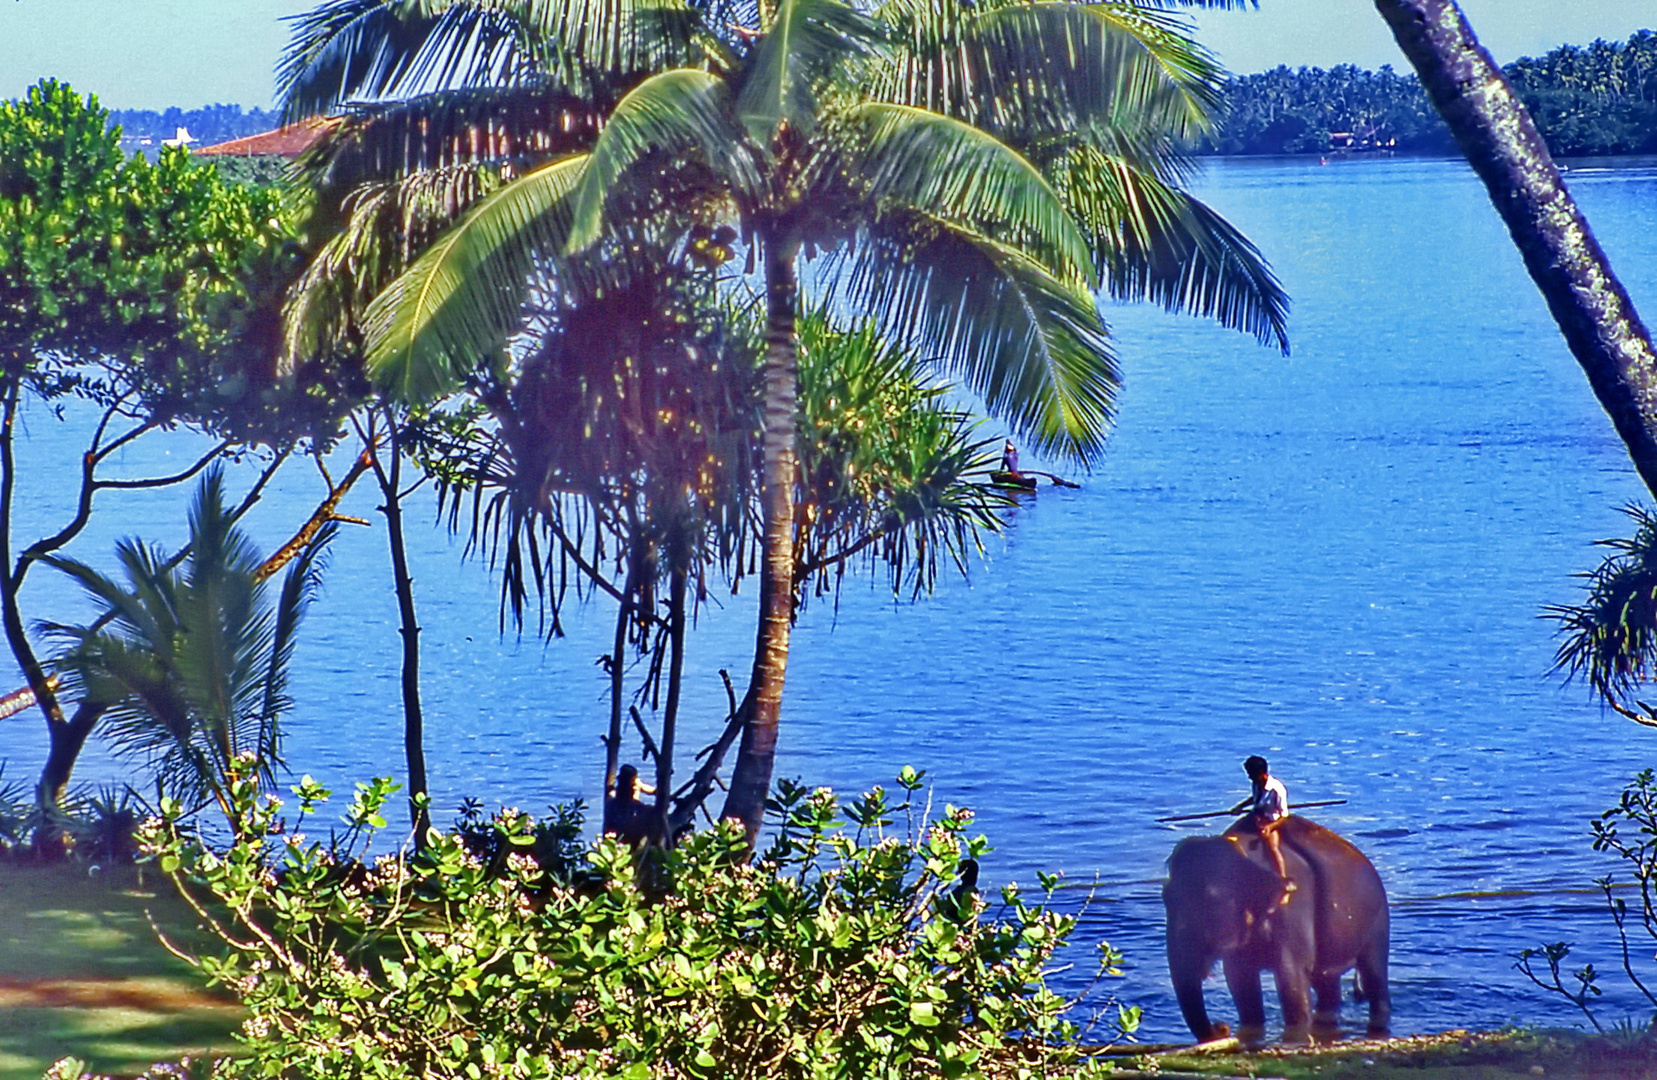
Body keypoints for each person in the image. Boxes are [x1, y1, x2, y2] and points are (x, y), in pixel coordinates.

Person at [1231, 755, 1295, 900]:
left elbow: (1284, 815)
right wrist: (1239, 807)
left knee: (1272, 846)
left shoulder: (1277, 789)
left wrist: (1269, 827)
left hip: (1272, 821)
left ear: (1261, 773)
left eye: (1251, 774)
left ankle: (1283, 880)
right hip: (1257, 816)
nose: (1249, 777)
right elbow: (1254, 799)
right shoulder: (1256, 783)